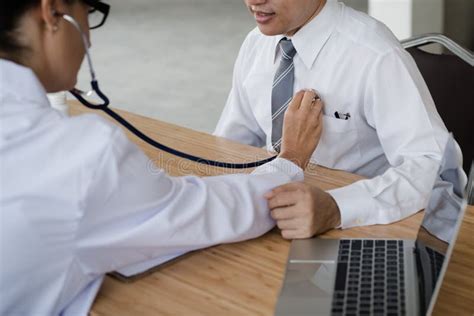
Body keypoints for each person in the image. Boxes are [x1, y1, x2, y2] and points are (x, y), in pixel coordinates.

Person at [0, 0, 324, 315]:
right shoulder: (83, 154)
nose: (90, 36)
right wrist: (291, 160)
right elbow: (202, 212)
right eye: (90, 12)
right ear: (54, 11)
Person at [214, 0, 462, 239]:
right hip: (279, 216)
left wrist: (337, 208)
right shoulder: (256, 43)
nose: (254, 1)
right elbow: (229, 145)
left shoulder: (375, 55)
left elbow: (431, 165)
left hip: (363, 225)